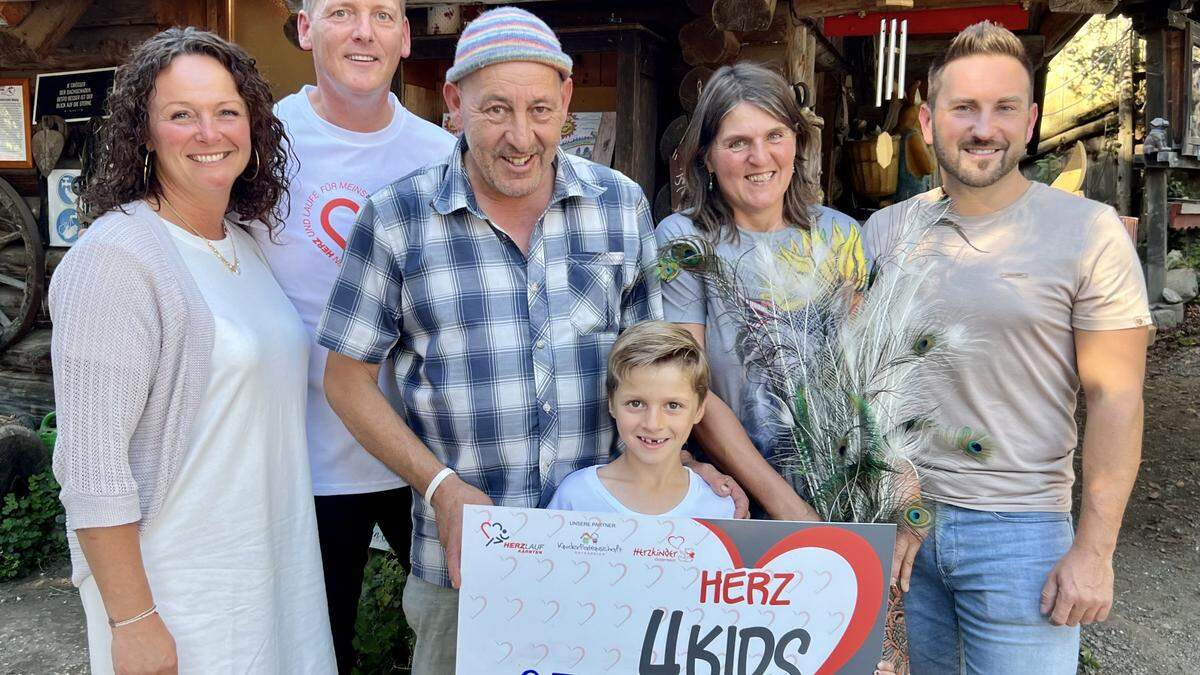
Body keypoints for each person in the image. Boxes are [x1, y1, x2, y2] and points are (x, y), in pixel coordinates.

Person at [317, 8, 742, 673]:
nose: (522, 137)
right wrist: (440, 487)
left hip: (612, 555)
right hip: (465, 568)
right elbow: (344, 381)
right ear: (454, 102)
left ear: (567, 100)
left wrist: (685, 463)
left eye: (541, 109)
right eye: (496, 111)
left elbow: (655, 373)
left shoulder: (619, 205)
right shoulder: (396, 218)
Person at [863, 21, 1150, 673]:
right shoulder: (886, 230)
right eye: (963, 107)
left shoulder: (1088, 232)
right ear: (928, 121)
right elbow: (873, 374)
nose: (982, 127)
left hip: (1022, 534)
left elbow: (1117, 395)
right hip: (913, 526)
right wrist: (899, 485)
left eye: (1003, 108)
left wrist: (1095, 550)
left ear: (1031, 121)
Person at [50, 28, 334, 673]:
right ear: (144, 134)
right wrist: (134, 621)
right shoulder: (117, 260)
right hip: (180, 594)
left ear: (253, 125)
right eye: (181, 115)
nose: (210, 132)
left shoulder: (243, 243)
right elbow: (92, 470)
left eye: (226, 111)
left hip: (270, 572)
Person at [250, 1, 455, 669]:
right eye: (341, 11)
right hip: (298, 456)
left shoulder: (440, 153)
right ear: (306, 28)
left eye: (383, 14)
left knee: (464, 633)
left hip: (419, 454)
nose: (364, 32)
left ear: (403, 35)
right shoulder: (260, 142)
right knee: (313, 650)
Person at [548, 321, 734, 518]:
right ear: (611, 403)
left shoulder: (718, 506)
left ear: (699, 410)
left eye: (673, 405)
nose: (653, 424)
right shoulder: (576, 497)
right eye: (636, 404)